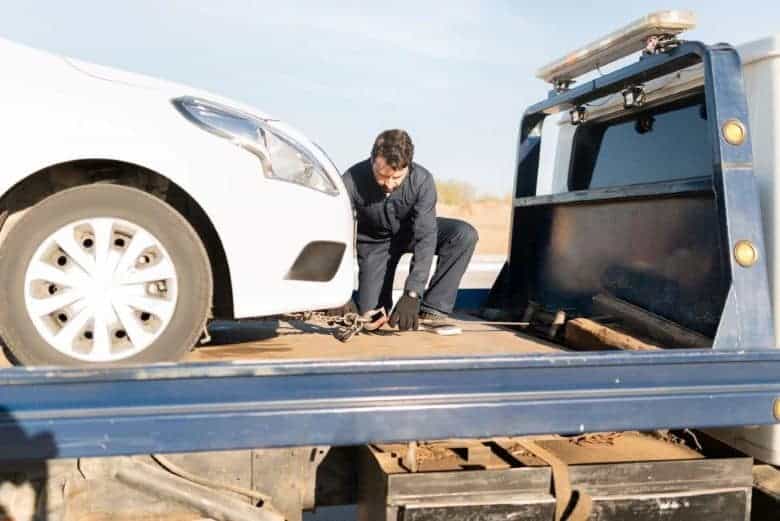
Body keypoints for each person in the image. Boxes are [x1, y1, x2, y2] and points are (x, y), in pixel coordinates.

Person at [340, 129, 478, 331]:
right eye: (382, 176)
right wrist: (339, 295)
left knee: (463, 235)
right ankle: (373, 305)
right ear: (372, 160)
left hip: (410, 234)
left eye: (397, 178)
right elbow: (335, 236)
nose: (389, 184)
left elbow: (425, 237)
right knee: (370, 317)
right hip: (375, 244)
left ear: (409, 166)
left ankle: (432, 309)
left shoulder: (422, 181)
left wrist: (412, 293)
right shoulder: (350, 180)